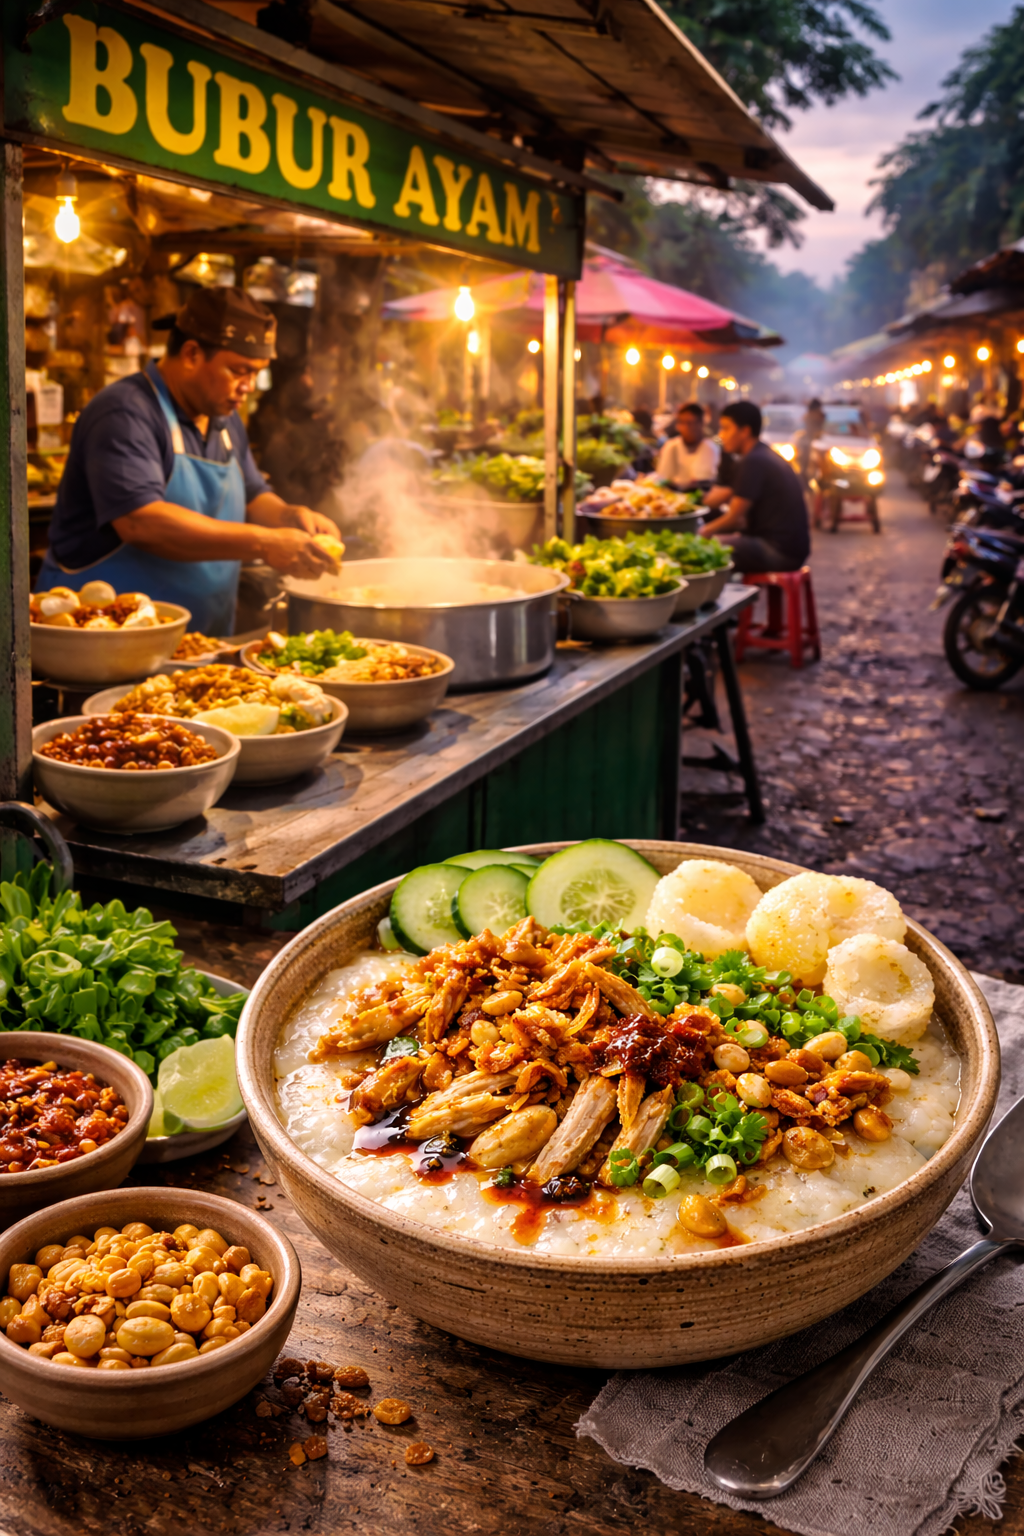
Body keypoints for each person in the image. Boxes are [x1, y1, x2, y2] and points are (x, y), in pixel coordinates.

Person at [39, 287, 339, 634]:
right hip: (105, 645)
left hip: (199, 643)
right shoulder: (125, 412)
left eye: (256, 373)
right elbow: (141, 522)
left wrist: (289, 516)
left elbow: (254, 494)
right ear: (192, 354)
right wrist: (265, 543)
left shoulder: (224, 420)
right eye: (239, 371)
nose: (248, 386)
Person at [701, 400, 810, 573]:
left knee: (701, 551)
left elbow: (735, 518)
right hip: (793, 549)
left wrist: (703, 533)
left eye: (726, 428)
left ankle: (719, 599)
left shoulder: (753, 461)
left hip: (779, 551)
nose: (721, 435)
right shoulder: (762, 454)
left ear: (745, 431)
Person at [655, 402, 720, 486]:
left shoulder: (710, 448)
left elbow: (711, 479)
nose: (685, 428)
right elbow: (662, 477)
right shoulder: (672, 447)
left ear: (701, 424)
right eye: (682, 422)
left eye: (690, 423)